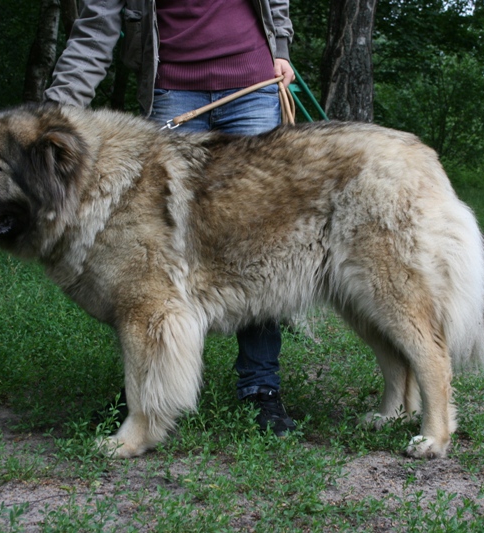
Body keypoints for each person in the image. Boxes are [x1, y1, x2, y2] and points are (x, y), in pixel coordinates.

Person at [44, 0, 297, 436]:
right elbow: (94, 28)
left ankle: (260, 388)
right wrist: (52, 115)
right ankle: (145, 389)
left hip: (252, 83)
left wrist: (281, 45)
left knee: (256, 240)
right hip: (171, 89)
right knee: (147, 260)